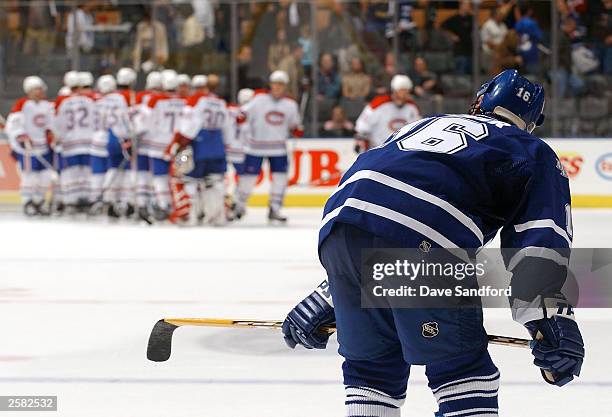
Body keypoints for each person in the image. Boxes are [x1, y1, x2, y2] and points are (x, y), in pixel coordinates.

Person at [281, 70, 585, 416]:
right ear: (532, 122)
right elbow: (540, 235)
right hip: (423, 241)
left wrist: (332, 291)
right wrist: (548, 316)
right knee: (462, 372)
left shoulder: (421, 124)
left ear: (480, 101)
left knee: (373, 371)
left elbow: (382, 207)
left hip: (341, 225)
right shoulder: (530, 148)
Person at [233, 70, 303, 223]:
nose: (277, 87)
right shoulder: (259, 99)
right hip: (255, 146)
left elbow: (294, 125)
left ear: (285, 86)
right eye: (275, 84)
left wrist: (297, 129)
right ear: (270, 85)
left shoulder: (290, 105)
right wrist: (241, 117)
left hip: (278, 148)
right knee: (248, 179)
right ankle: (238, 206)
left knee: (280, 179)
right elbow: (241, 113)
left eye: (280, 84)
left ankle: (275, 208)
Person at [168, 83, 233, 226]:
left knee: (189, 180)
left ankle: (190, 217)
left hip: (197, 147)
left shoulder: (196, 100)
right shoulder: (221, 102)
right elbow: (228, 127)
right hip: (217, 147)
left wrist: (180, 142)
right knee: (215, 182)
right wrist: (226, 146)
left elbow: (190, 124)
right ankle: (218, 217)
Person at [5, 76, 55, 216]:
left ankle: (39, 201)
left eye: (40, 88)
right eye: (35, 89)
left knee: (45, 177)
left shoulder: (47, 105)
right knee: (29, 177)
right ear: (29, 91)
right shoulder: (22, 104)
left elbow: (51, 124)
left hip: (43, 147)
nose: (39, 91)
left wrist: (52, 134)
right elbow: (13, 124)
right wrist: (21, 136)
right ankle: (28, 201)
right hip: (28, 149)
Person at [141, 70, 187, 221]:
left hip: (157, 147)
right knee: (180, 176)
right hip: (180, 147)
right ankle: (182, 207)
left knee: (159, 177)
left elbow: (143, 122)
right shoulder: (186, 101)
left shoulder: (155, 100)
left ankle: (164, 205)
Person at [53, 71, 96, 214]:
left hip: (70, 143)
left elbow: (58, 124)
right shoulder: (90, 100)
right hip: (88, 142)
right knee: (86, 171)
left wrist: (58, 137)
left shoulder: (64, 102)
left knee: (71, 172)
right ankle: (87, 200)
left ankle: (71, 201)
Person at [354, 75, 421, 152]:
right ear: (394, 90)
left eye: (407, 91)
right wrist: (360, 144)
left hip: (400, 153)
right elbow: (362, 127)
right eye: (402, 90)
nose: (405, 94)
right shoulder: (378, 104)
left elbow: (417, 130)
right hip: (378, 151)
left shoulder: (412, 107)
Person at [133, 71, 162, 222]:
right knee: (157, 176)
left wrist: (134, 135)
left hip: (143, 143)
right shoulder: (166, 98)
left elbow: (136, 119)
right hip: (160, 145)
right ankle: (156, 203)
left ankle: (142, 205)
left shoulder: (140, 97)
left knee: (142, 174)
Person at [442, 0, 473, 74]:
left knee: (470, 74)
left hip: (470, 50)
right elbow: (442, 27)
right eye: (466, 5)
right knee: (461, 73)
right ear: (461, 5)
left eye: (469, 5)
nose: (468, 7)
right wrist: (451, 35)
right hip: (459, 51)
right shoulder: (454, 19)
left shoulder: (471, 18)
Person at [481, 8, 508, 73]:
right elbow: (487, 42)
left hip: (501, 53)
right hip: (489, 53)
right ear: (494, 15)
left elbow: (506, 38)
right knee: (491, 73)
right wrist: (499, 48)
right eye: (500, 14)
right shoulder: (487, 25)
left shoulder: (503, 25)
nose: (502, 16)